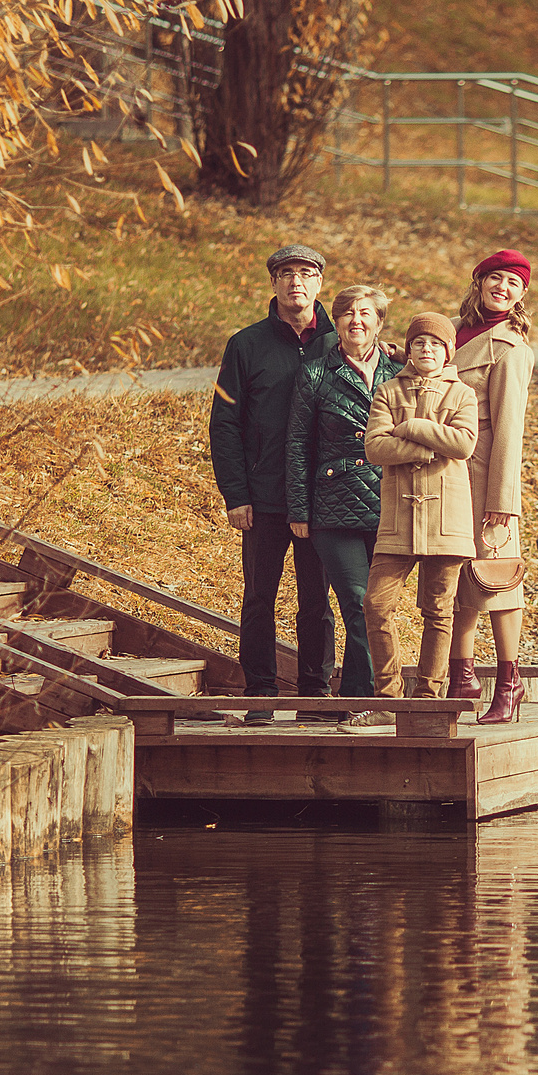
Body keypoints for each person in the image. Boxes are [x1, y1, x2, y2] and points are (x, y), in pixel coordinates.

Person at [208, 243, 338, 721]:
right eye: (286, 273)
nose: (295, 282)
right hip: (262, 499)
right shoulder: (246, 345)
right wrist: (235, 494)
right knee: (259, 597)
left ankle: (315, 692)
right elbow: (224, 424)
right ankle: (260, 692)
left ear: (320, 283)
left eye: (305, 273)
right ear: (274, 283)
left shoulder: (338, 343)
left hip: (322, 498)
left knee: (316, 600)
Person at [285, 285, 403, 713]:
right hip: (333, 505)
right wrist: (299, 508)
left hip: (391, 503)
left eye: (366, 313)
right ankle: (362, 699)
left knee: (377, 605)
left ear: (379, 322)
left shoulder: (400, 372)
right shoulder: (316, 372)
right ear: (336, 323)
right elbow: (298, 443)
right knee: (356, 599)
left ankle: (364, 695)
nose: (357, 320)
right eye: (348, 313)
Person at [359, 312, 478, 713]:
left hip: (447, 519)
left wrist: (409, 427)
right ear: (408, 349)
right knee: (375, 604)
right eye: (419, 343)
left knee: (439, 610)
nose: (427, 349)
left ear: (448, 350)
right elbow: (375, 447)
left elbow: (463, 445)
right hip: (397, 521)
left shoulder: (463, 394)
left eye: (435, 344)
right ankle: (387, 699)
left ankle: (428, 700)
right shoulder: (388, 391)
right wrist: (430, 446)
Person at [448, 248, 536, 724]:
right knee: (456, 577)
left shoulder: (510, 348)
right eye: (495, 279)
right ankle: (461, 678)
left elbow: (509, 429)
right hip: (444, 475)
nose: (503, 288)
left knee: (497, 579)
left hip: (485, 478)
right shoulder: (453, 333)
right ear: (478, 281)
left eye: (513, 283)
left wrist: (504, 500)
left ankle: (509, 682)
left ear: (522, 295)